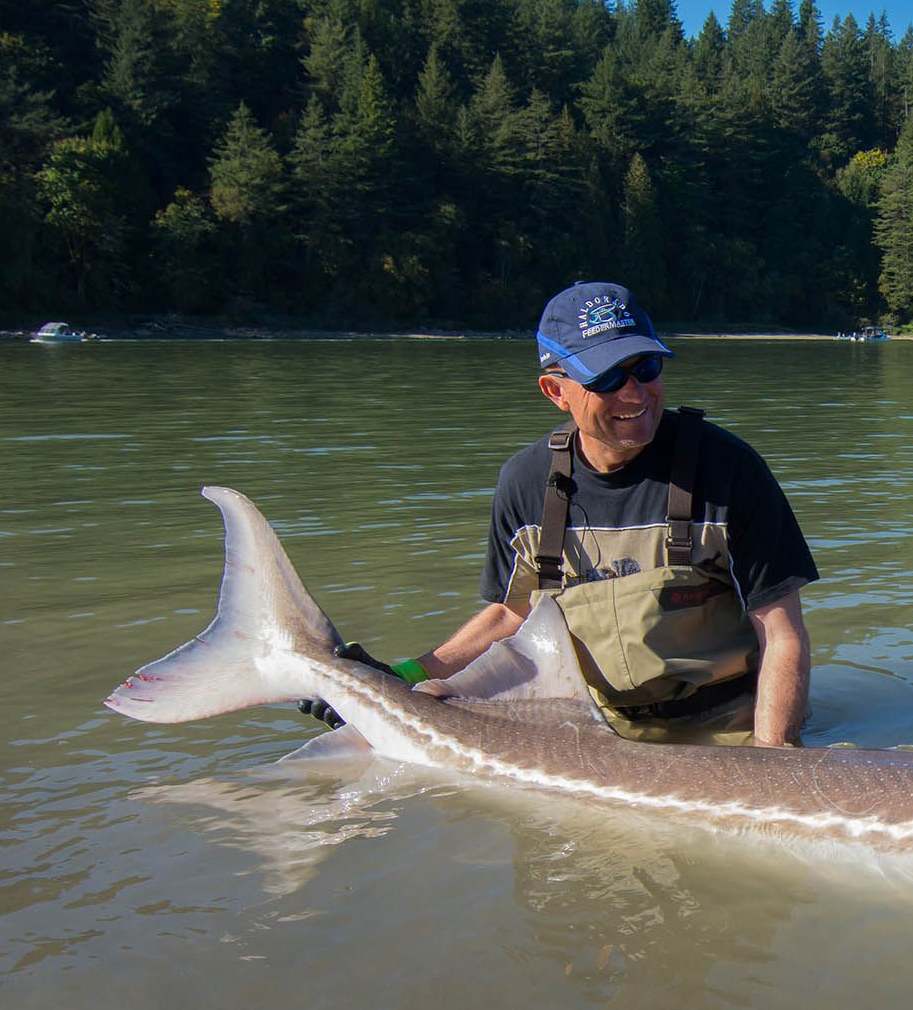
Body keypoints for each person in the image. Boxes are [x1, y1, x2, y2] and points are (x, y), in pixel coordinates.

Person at [307, 281, 816, 746]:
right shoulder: (527, 483)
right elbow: (513, 613)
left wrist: (772, 765)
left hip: (727, 726)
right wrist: (404, 678)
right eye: (608, 377)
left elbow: (781, 631)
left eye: (646, 367)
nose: (635, 393)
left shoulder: (729, 469)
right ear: (556, 391)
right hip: (594, 729)